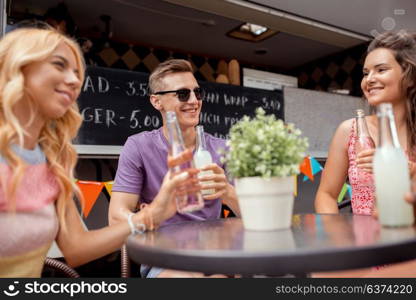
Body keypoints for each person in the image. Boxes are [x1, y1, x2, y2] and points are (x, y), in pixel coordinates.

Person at [0, 28, 197, 278]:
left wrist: (153, 213)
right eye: (59, 65)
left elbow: (77, 249)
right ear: (17, 69)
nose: (74, 81)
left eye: (76, 73)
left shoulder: (51, 161)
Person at [108, 59, 240, 278]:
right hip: (165, 256)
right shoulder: (139, 146)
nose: (194, 101)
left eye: (197, 93)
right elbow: (115, 218)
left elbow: (254, 216)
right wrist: (155, 212)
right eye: (182, 94)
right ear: (156, 101)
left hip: (215, 253)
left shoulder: (222, 148)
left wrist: (227, 192)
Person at [313, 30, 416, 277]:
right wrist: (341, 241)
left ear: (409, 77)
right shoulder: (349, 131)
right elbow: (326, 195)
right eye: (365, 73)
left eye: (381, 70)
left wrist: (410, 173)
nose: (369, 79)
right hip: (362, 250)